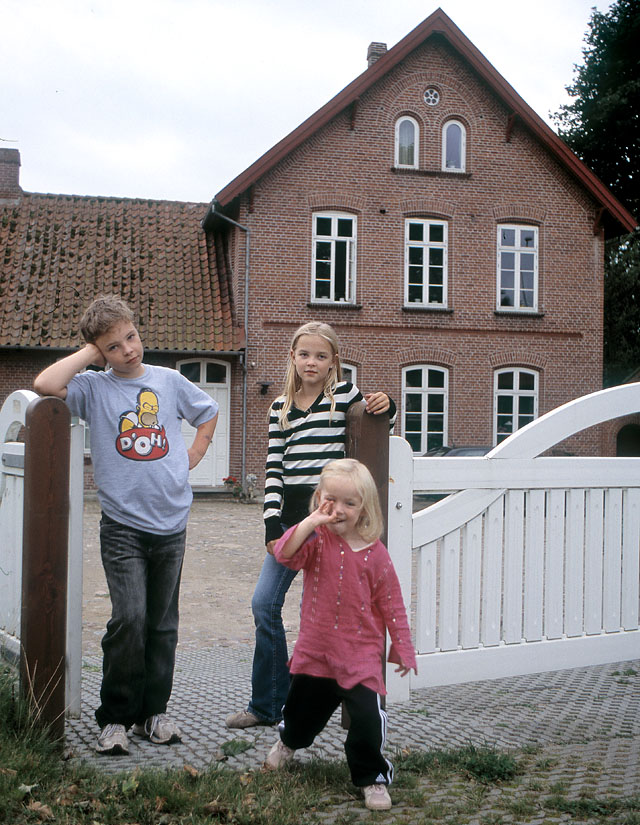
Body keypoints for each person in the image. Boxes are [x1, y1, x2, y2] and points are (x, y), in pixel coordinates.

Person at [33, 295, 219, 755]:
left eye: (130, 337)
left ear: (139, 330)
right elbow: (44, 383)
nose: (128, 350)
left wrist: (194, 454)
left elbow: (208, 410)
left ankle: (153, 713)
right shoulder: (93, 388)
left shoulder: (170, 381)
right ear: (100, 353)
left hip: (172, 520)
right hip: (123, 527)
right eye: (114, 347)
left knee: (161, 624)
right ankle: (116, 716)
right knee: (129, 619)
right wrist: (91, 354)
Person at [226, 321, 396, 730]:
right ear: (292, 357)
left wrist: (387, 405)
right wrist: (271, 523)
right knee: (264, 604)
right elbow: (273, 470)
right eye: (304, 354)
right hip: (293, 524)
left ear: (334, 361)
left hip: (333, 523)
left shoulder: (342, 396)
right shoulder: (279, 407)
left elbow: (380, 425)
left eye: (321, 356)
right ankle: (268, 703)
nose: (311, 362)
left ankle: (353, 704)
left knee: (342, 613)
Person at [264, 458, 417, 812]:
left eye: (351, 502)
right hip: (316, 652)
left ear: (364, 507)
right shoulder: (316, 542)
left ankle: (373, 777)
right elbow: (283, 553)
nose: (341, 509)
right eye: (333, 500)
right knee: (302, 715)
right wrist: (310, 521)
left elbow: (392, 605)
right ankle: (288, 743)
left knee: (366, 717)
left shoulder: (376, 554)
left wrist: (403, 649)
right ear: (320, 498)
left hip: (359, 656)